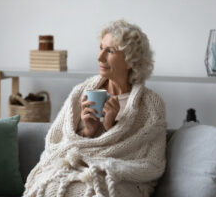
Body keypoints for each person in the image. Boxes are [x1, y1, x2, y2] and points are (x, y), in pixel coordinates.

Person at [23, 19, 167, 197]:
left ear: (131, 60)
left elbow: (153, 164)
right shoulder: (81, 92)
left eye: (110, 51)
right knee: (51, 187)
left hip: (118, 179)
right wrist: (87, 131)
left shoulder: (152, 105)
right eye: (100, 48)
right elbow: (55, 143)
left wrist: (110, 127)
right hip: (75, 169)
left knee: (87, 192)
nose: (100, 57)